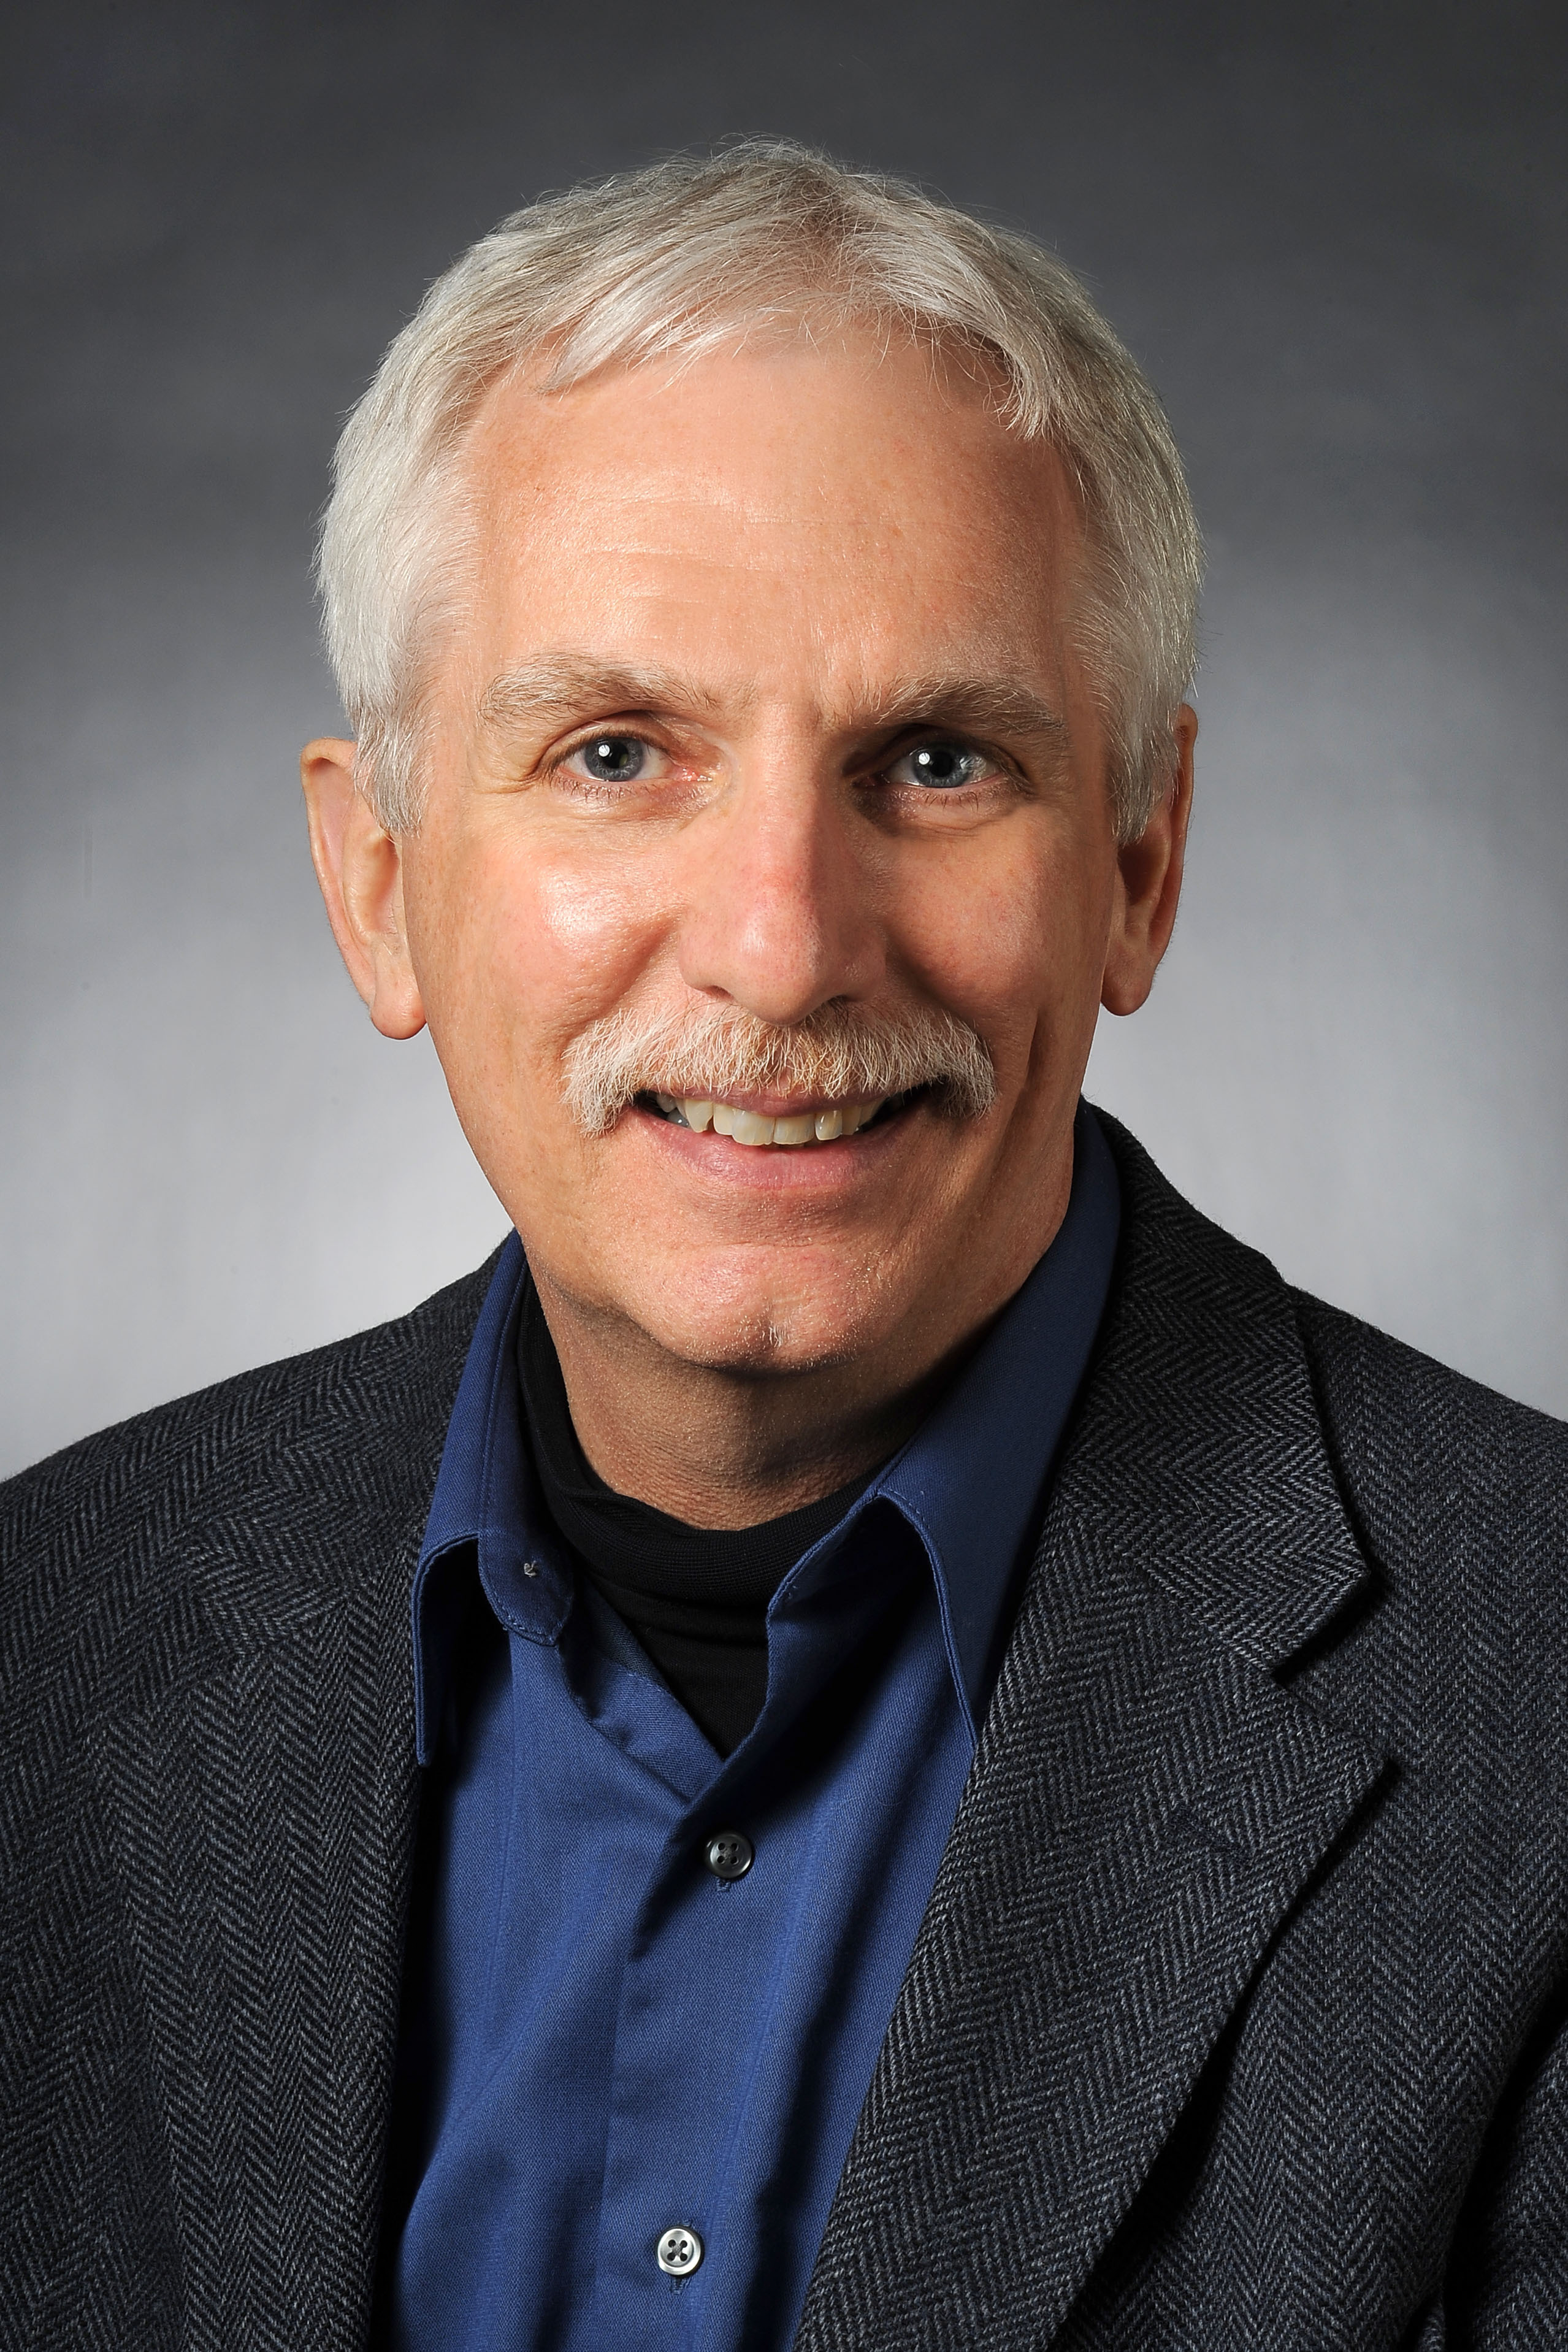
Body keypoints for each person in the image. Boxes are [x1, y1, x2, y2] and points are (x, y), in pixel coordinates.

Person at [2, 142, 1563, 2352]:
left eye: (935, 758)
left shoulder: (1538, 1712)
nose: (785, 944)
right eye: (615, 750)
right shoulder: (44, 1650)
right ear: (380, 884)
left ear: (1139, 863)